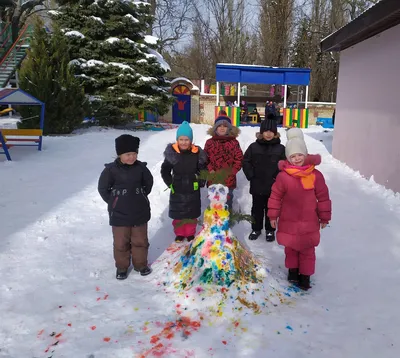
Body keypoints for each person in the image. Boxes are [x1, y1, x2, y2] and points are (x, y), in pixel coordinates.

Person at [268, 129, 331, 290]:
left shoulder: (315, 175)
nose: (297, 159)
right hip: (289, 220)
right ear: (288, 158)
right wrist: (273, 216)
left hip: (309, 220)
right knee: (291, 248)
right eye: (292, 156)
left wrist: (324, 217)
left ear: (305, 154)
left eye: (299, 155)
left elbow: (323, 197)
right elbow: (275, 196)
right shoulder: (283, 177)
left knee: (307, 250)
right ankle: (293, 271)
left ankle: (306, 276)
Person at [98, 134, 153, 280]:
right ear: (119, 154)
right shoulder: (111, 170)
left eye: (134, 154)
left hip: (139, 212)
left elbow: (148, 183)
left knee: (140, 241)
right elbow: (103, 188)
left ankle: (141, 264)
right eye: (128, 154)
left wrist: (140, 195)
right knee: (121, 243)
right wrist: (114, 201)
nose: (131, 157)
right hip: (119, 214)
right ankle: (122, 267)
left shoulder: (141, 168)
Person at [161, 121, 208, 242]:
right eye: (181, 139)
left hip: (193, 186)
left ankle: (190, 232)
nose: (183, 142)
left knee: (191, 213)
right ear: (177, 139)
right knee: (179, 214)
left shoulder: (196, 153)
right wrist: (170, 182)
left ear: (191, 140)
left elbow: (202, 168)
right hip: (177, 187)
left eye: (186, 139)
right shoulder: (173, 153)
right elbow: (165, 170)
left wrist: (201, 180)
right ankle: (180, 233)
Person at [243, 117, 285, 242]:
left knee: (271, 209)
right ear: (261, 132)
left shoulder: (281, 148)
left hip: (274, 185)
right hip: (257, 184)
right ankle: (256, 228)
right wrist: (251, 175)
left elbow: (284, 164)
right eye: (266, 131)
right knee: (257, 208)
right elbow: (246, 161)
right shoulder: (253, 147)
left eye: (271, 131)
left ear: (275, 133)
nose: (268, 133)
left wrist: (276, 177)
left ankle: (270, 230)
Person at [204, 113, 243, 210]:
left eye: (225, 126)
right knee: (214, 202)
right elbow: (205, 158)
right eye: (219, 126)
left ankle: (227, 222)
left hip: (228, 180)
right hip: (213, 179)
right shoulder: (210, 143)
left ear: (229, 128)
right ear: (215, 128)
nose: (222, 128)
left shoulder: (234, 142)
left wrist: (232, 172)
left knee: (227, 202)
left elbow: (239, 159)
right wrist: (210, 169)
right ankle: (213, 222)